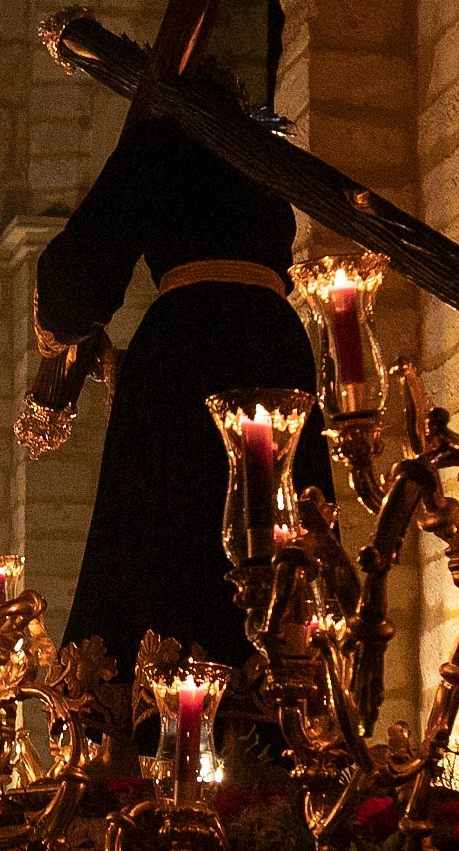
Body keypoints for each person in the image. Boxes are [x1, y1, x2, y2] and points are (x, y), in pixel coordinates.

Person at [31, 105, 332, 683]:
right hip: (277, 352)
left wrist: (61, 344)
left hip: (185, 355)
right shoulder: (258, 145)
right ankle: (283, 709)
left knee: (160, 546)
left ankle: (151, 724)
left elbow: (76, 286)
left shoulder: (161, 137)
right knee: (280, 551)